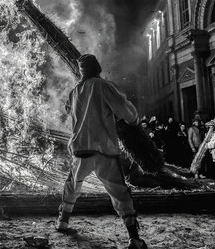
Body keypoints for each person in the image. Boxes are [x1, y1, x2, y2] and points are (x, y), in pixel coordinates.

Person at [56, 54, 147, 249]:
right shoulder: (103, 85)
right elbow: (125, 109)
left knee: (72, 185)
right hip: (103, 149)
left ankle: (63, 221)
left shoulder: (74, 92)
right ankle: (134, 238)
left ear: (82, 71)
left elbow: (68, 111)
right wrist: (134, 121)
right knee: (120, 193)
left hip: (80, 149)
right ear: (97, 68)